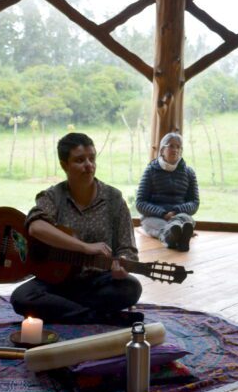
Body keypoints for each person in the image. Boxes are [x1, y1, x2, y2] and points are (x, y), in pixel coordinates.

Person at [10, 132, 143, 325]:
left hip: (98, 281)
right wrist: (84, 247)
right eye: (80, 160)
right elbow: (36, 227)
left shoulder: (114, 199)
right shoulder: (53, 196)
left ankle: (63, 310)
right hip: (56, 281)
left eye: (92, 158)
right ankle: (100, 317)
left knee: (131, 288)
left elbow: (127, 249)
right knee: (21, 297)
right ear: (64, 165)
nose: (89, 165)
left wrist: (122, 266)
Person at [135, 132, 199, 252]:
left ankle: (174, 235)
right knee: (165, 226)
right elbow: (140, 203)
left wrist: (176, 211)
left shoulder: (189, 173)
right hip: (155, 217)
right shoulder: (150, 171)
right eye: (171, 146)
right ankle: (176, 236)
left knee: (184, 220)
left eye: (178, 147)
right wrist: (163, 214)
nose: (175, 149)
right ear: (162, 149)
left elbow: (194, 203)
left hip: (180, 215)